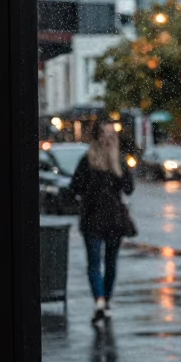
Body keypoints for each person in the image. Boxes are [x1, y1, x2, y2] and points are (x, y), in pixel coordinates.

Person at [70, 118, 137, 325]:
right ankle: (102, 301)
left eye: (112, 134)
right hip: (100, 219)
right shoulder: (90, 160)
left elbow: (128, 188)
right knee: (101, 263)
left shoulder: (111, 160)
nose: (110, 138)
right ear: (98, 136)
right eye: (106, 134)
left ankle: (102, 301)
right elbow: (76, 186)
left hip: (106, 220)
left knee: (103, 264)